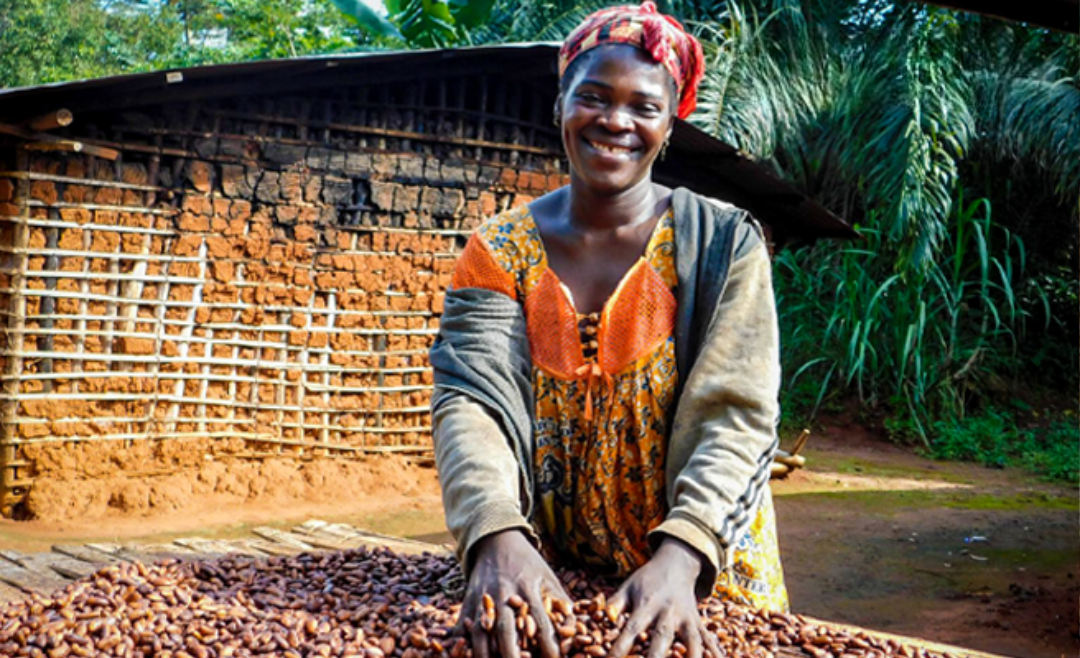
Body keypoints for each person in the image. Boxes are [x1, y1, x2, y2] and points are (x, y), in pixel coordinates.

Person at [428, 4, 788, 658]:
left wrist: (683, 554)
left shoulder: (721, 244)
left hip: (703, 574)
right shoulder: (498, 251)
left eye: (644, 107)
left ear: (670, 125)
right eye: (593, 96)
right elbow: (471, 401)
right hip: (553, 576)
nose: (616, 121)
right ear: (561, 103)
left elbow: (735, 414)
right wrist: (495, 532)